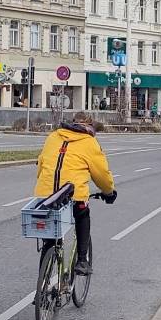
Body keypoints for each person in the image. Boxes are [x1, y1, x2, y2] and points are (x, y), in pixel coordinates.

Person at [34, 111, 117, 275]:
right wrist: (108, 192)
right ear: (89, 125)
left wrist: (44, 186)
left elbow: (41, 163)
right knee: (82, 214)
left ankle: (42, 284)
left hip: (46, 195)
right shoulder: (89, 142)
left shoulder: (53, 136)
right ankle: (82, 261)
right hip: (74, 194)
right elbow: (101, 173)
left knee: (51, 237)